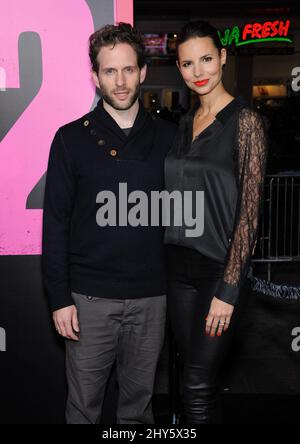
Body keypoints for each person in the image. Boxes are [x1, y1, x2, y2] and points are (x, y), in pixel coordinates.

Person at [42, 23, 177, 424]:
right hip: (89, 301)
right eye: (109, 71)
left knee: (139, 410)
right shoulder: (70, 139)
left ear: (144, 72)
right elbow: (56, 223)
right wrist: (59, 298)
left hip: (152, 298)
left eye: (128, 70)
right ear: (94, 76)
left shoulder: (171, 138)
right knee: (83, 409)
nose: (120, 82)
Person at [164, 21, 268, 424]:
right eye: (188, 64)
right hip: (177, 270)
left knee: (196, 386)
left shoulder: (246, 122)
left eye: (206, 58)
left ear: (223, 57)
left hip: (219, 272)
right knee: (199, 379)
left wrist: (229, 288)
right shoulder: (183, 124)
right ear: (179, 68)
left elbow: (250, 214)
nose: (198, 71)